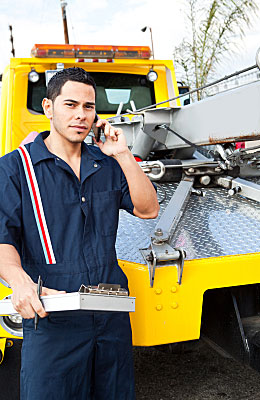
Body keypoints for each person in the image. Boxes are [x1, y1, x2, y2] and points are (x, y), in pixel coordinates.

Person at [0, 67, 159, 400]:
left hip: (110, 311)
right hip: (53, 314)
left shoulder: (107, 163)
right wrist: (20, 281)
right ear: (48, 107)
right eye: (70, 105)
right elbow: (4, 238)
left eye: (88, 107)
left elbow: (148, 209)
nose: (81, 115)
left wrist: (123, 153)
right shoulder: (15, 168)